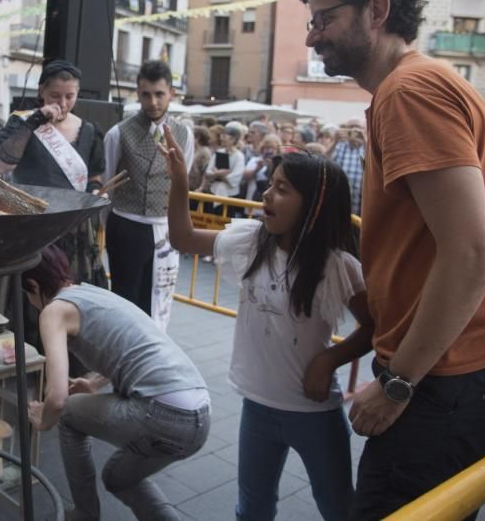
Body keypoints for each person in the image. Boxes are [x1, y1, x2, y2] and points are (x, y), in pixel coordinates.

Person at [299, 0, 485, 519]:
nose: (312, 37)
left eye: (324, 18)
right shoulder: (418, 86)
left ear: (376, 11)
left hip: (443, 381)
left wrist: (398, 382)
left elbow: (473, 253)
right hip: (460, 371)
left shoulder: (409, 92)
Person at [163, 135, 373, 521]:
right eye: (269, 185)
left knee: (339, 508)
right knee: (252, 508)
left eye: (281, 189)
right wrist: (179, 180)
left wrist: (330, 359)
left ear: (315, 205)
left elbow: (374, 327)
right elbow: (183, 238)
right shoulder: (252, 242)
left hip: (314, 414)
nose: (266, 195)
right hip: (257, 408)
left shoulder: (338, 266)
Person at [23, 245, 210, 521]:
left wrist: (43, 420)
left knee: (68, 415)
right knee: (118, 478)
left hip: (162, 412)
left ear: (33, 285)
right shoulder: (92, 293)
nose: (29, 301)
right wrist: (94, 385)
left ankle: (86, 514)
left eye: (27, 294)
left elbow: (58, 398)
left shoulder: (54, 311)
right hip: (200, 413)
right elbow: (135, 347)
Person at [0, 60, 106, 285]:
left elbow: (94, 176)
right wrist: (35, 121)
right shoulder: (23, 122)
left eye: (69, 96)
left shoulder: (89, 130)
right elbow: (0, 164)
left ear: (77, 93)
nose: (62, 103)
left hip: (73, 226)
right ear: (41, 91)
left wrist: (96, 190)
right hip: (33, 223)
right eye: (54, 95)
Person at [103, 60, 194, 330]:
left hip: (165, 229)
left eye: (159, 94)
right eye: (146, 94)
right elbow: (108, 186)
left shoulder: (184, 134)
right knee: (125, 299)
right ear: (138, 94)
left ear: (171, 95)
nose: (153, 102)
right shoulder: (118, 133)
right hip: (126, 226)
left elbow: (182, 181)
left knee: (159, 300)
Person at [203, 124, 245, 218]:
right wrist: (218, 174)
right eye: (222, 135)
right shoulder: (219, 152)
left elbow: (236, 176)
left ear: (233, 139)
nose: (222, 138)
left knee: (225, 221)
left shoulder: (239, 156)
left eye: (225, 136)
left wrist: (218, 174)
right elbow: (208, 172)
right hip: (214, 191)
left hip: (229, 195)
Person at [329, 119, 366, 216]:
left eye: (358, 127)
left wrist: (365, 140)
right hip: (338, 201)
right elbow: (323, 161)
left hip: (360, 204)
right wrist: (334, 142)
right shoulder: (339, 146)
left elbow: (374, 165)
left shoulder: (367, 147)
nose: (355, 130)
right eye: (351, 127)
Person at [243, 134, 282, 203]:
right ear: (262, 148)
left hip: (270, 203)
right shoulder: (255, 160)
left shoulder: (281, 164)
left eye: (272, 148)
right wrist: (257, 169)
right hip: (251, 203)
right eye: (266, 148)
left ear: (277, 150)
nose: (269, 151)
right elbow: (245, 177)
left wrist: (271, 167)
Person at [188, 126, 212, 193]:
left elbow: (205, 171)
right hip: (189, 188)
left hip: (197, 190)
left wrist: (201, 188)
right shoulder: (193, 149)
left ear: (197, 138)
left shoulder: (205, 152)